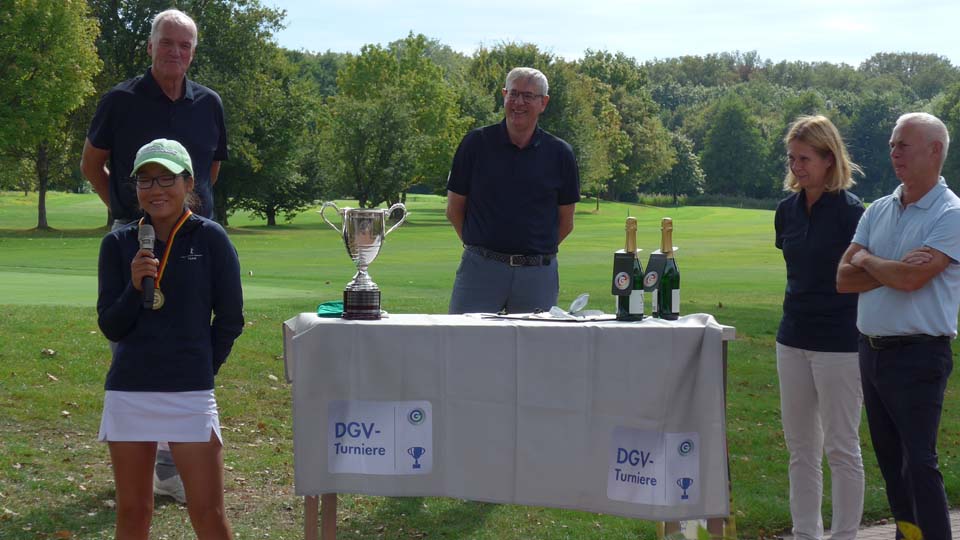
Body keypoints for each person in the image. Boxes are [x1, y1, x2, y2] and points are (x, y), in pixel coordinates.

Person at [80, 8, 228, 501]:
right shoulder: (119, 100)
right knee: (136, 341)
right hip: (135, 229)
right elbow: (91, 163)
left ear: (193, 52)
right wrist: (129, 209)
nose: (176, 53)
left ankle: (172, 464)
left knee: (186, 335)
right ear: (150, 47)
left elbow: (210, 168)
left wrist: (181, 212)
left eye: (185, 46)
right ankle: (144, 455)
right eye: (167, 43)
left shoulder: (209, 103)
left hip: (195, 234)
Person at [97, 138, 243, 538]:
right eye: (145, 181)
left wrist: (200, 366)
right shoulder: (118, 244)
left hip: (189, 392)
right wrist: (133, 284)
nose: (155, 190)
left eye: (166, 178)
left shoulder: (211, 239)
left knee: (208, 513)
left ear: (188, 182)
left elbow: (230, 318)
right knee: (133, 512)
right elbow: (111, 325)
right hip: (130, 390)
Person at [837, 112, 960, 540]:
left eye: (903, 145)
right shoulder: (880, 209)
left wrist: (868, 260)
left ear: (935, 150)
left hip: (919, 355)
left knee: (918, 464)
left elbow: (911, 281)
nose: (894, 153)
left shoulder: (951, 214)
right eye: (892, 144)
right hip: (872, 352)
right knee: (892, 465)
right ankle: (908, 537)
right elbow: (842, 278)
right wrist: (888, 268)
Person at [774, 115, 865, 540]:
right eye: (792, 158)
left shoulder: (852, 214)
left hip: (840, 343)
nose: (797, 166)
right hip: (792, 338)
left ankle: (845, 535)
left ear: (830, 160)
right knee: (801, 451)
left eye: (805, 158)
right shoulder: (786, 211)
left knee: (841, 448)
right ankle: (805, 533)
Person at [445, 67, 580, 314]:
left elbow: (566, 222)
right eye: (514, 94)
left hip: (537, 276)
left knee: (537, 352)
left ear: (543, 103)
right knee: (464, 348)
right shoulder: (475, 144)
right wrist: (483, 250)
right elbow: (454, 210)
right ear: (504, 95)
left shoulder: (560, 154)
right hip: (480, 272)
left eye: (528, 96)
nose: (519, 102)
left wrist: (529, 256)